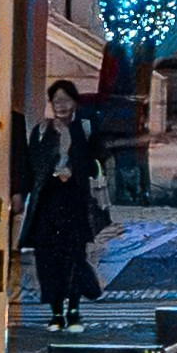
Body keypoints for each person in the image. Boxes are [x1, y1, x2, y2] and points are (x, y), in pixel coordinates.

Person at [26, 136, 106, 319]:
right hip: (49, 206)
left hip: (74, 205)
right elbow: (33, 165)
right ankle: (57, 310)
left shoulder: (81, 129)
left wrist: (75, 169)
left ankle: (73, 308)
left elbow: (95, 162)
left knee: (74, 261)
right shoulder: (43, 131)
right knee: (51, 262)